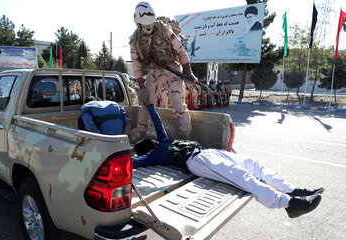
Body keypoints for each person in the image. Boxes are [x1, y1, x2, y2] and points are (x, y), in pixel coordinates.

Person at [132, 101, 324, 218]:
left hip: (208, 153)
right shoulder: (153, 155)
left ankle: (293, 190)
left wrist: (149, 104)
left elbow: (157, 121)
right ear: (147, 146)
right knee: (242, 177)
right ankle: (289, 204)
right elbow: (137, 162)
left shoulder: (163, 140)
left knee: (252, 164)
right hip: (198, 162)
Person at [129, 1, 197, 139]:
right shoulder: (134, 41)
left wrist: (188, 72)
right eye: (145, 26)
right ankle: (141, 138)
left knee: (179, 105)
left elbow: (181, 51)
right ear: (138, 24)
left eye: (150, 25)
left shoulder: (165, 30)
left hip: (172, 69)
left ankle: (186, 137)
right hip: (153, 73)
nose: (148, 28)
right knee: (146, 105)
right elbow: (136, 67)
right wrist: (142, 88)